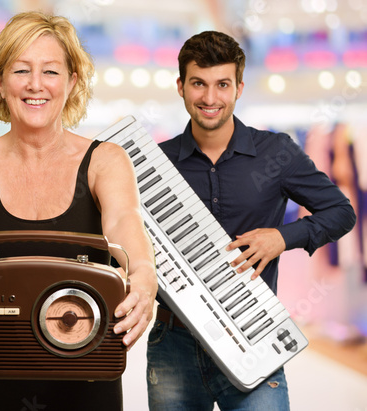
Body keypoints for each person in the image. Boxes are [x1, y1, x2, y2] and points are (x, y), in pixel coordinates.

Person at [0, 11, 157, 411]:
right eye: (21, 70)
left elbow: (124, 225)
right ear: (0, 81)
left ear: (72, 82)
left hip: (87, 378)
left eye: (50, 71)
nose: (35, 85)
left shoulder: (106, 161)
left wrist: (145, 275)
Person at [146, 30, 356, 411]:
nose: (210, 98)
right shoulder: (155, 164)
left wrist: (283, 237)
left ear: (239, 87)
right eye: (199, 84)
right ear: (181, 86)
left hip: (253, 335)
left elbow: (341, 212)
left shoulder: (277, 152)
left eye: (222, 84)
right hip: (172, 343)